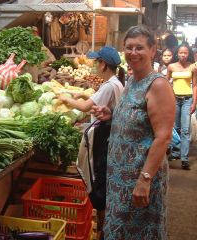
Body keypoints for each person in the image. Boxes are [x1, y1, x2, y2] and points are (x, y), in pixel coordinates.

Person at [92, 25, 175, 239]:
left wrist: (144, 180)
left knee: (139, 231)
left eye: (140, 48)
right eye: (129, 48)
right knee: (120, 229)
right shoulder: (132, 80)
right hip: (120, 178)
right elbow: (137, 117)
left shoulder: (158, 85)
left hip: (140, 177)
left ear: (152, 50)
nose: (133, 53)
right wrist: (111, 114)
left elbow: (163, 137)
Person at [59, 46, 125, 239]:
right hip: (110, 135)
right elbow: (96, 101)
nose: (94, 65)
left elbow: (86, 108)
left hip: (104, 138)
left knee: (99, 182)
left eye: (96, 62)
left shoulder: (108, 86)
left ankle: (103, 229)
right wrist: (83, 95)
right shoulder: (115, 83)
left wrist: (67, 98)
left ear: (103, 64)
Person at [166, 44, 197, 170]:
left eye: (185, 53)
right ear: (177, 53)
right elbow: (166, 83)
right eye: (180, 52)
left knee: (185, 130)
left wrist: (194, 102)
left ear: (188, 54)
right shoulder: (171, 67)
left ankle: (184, 158)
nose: (183, 55)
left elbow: (195, 85)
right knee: (175, 128)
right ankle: (175, 153)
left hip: (187, 100)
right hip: (174, 100)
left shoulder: (192, 67)